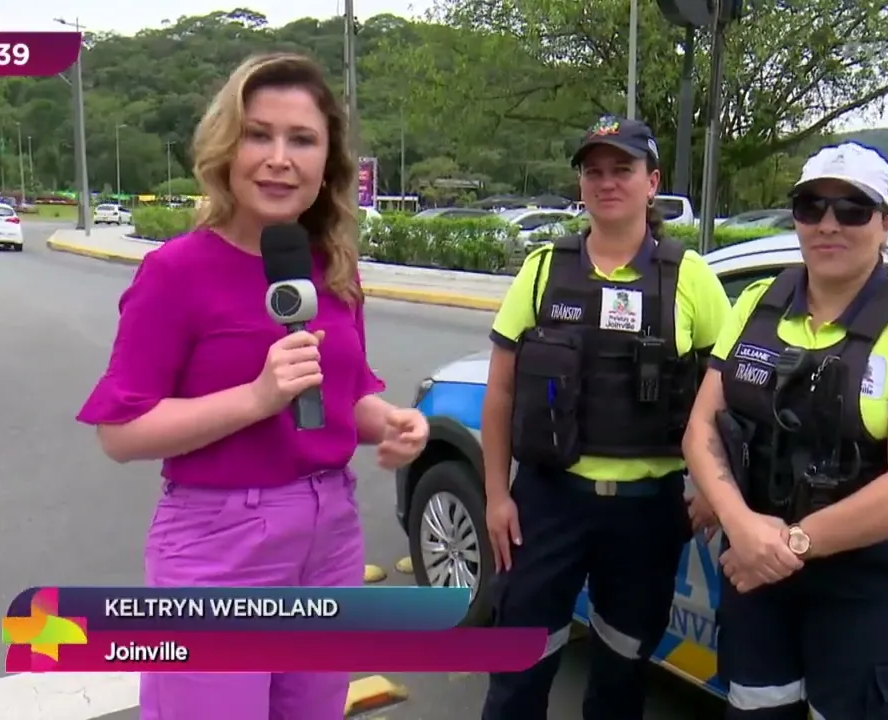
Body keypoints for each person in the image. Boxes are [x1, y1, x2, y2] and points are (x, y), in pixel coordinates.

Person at [76, 53, 429, 720]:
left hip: (331, 536)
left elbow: (339, 398)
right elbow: (120, 434)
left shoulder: (333, 269)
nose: (278, 158)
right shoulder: (176, 272)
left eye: (301, 140)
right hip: (218, 546)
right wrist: (255, 398)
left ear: (328, 163)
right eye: (257, 134)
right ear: (226, 150)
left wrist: (391, 423)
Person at [682, 141, 888, 720]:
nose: (828, 225)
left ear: (886, 224)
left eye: (853, 209)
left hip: (865, 582)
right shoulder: (760, 303)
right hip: (756, 570)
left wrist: (785, 544)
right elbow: (700, 428)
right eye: (811, 207)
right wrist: (742, 526)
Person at [479, 115, 731, 720]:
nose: (606, 182)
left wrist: (717, 497)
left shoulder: (689, 276)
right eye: (593, 171)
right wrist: (495, 496)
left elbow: (731, 398)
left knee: (621, 672)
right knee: (518, 667)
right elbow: (501, 391)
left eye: (623, 169)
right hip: (547, 502)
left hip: (646, 513)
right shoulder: (542, 269)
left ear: (652, 183)